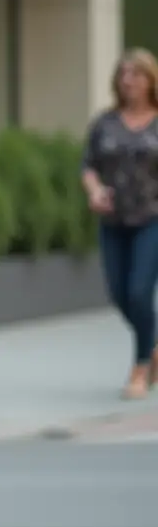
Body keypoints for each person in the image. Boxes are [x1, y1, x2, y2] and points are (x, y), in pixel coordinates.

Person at [82, 48, 158, 400]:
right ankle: (154, 344)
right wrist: (94, 190)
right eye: (123, 74)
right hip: (113, 219)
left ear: (150, 80)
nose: (128, 81)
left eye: (136, 74)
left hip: (151, 218)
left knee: (140, 292)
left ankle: (140, 367)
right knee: (119, 295)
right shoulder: (104, 123)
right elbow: (88, 166)